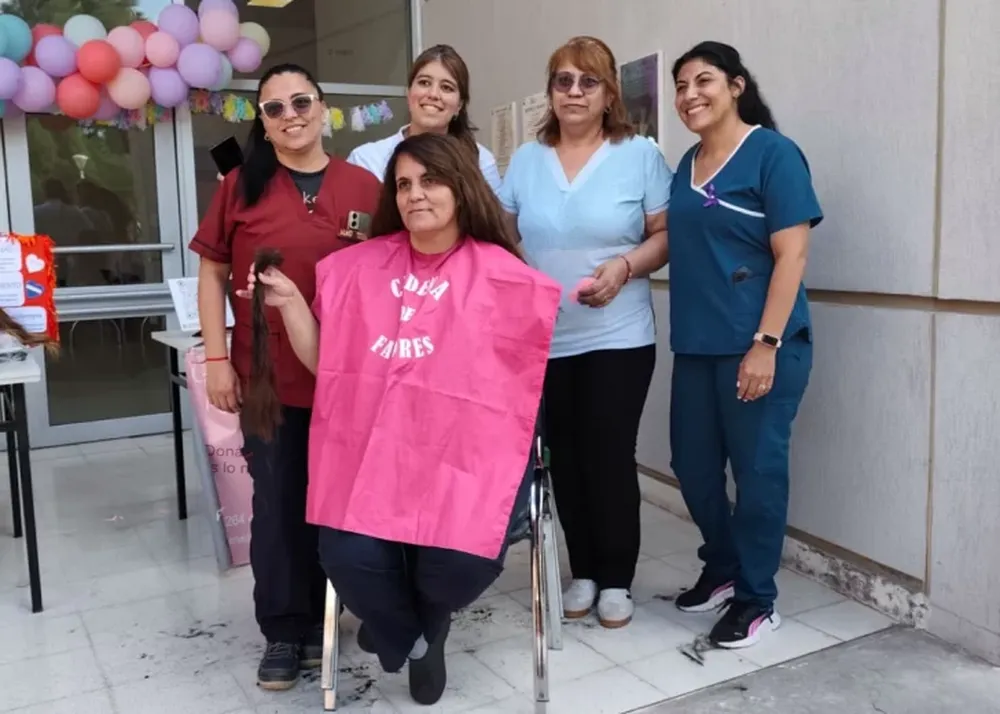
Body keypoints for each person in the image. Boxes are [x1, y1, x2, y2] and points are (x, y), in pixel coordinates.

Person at [239, 132, 561, 705]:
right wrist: (291, 303)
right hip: (374, 454)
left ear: (462, 189)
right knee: (346, 557)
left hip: (459, 460)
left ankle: (420, 627)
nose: (415, 195)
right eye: (404, 184)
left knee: (458, 565)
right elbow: (330, 364)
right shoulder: (358, 269)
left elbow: (517, 387)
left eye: (430, 181)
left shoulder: (505, 276)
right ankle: (414, 639)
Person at [190, 62, 382, 690]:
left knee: (342, 509)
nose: (290, 114)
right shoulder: (240, 187)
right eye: (274, 108)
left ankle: (338, 612)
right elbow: (214, 275)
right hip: (267, 380)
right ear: (264, 126)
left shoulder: (364, 188)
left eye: (301, 101)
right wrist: (217, 360)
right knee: (277, 509)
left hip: (347, 381)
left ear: (323, 108)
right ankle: (283, 629)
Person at [499, 36, 672, 629]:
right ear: (549, 91)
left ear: (608, 94)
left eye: (588, 81)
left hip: (619, 333)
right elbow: (504, 232)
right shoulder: (526, 159)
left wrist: (624, 267)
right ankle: (586, 571)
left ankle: (618, 578)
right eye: (563, 80)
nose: (574, 92)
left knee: (607, 454)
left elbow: (665, 236)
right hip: (546, 338)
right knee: (564, 459)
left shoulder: (639, 155)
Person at [667, 41, 822, 648]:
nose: (689, 95)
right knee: (694, 466)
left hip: (761, 344)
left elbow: (794, 254)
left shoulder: (773, 154)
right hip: (698, 345)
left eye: (702, 80)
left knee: (757, 475)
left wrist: (766, 343)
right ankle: (725, 566)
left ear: (735, 85)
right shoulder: (686, 163)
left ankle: (758, 598)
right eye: (680, 86)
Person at [347, 44, 502, 192]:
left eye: (446, 87)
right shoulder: (366, 160)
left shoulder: (481, 161)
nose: (433, 94)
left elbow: (492, 219)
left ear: (459, 105)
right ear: (408, 93)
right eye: (424, 83)